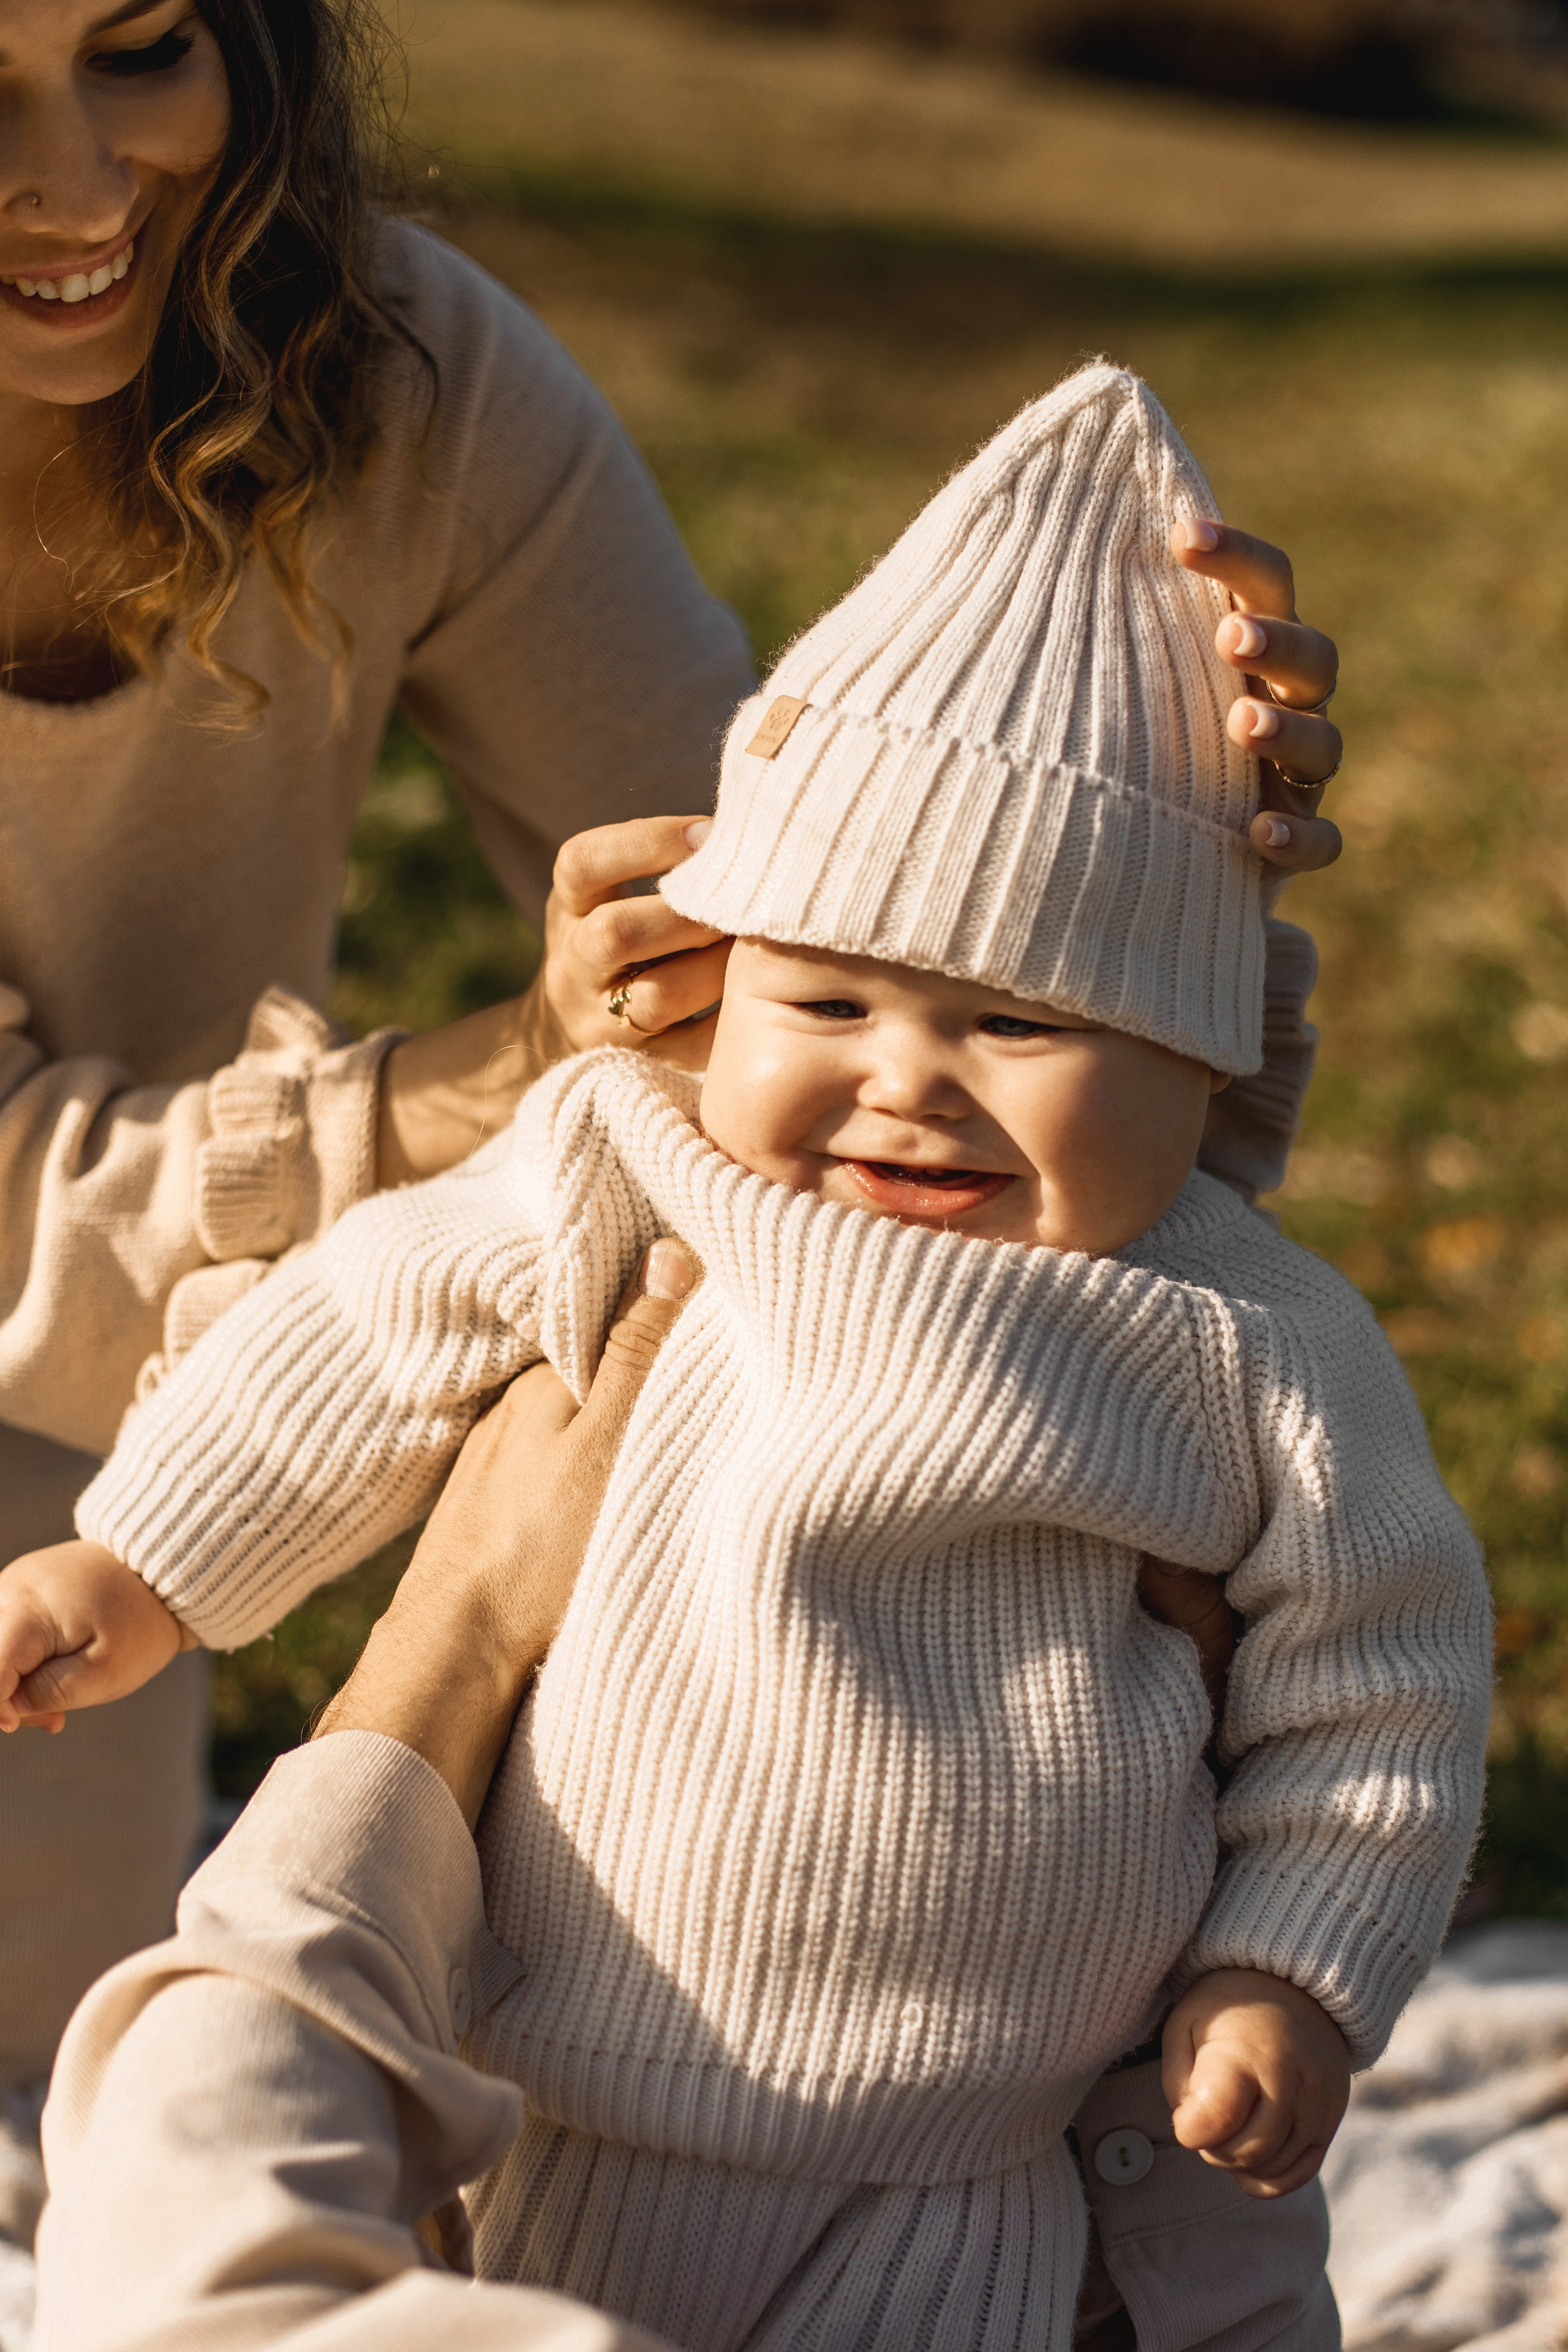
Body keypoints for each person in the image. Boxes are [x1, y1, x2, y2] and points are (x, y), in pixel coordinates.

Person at [3, 367, 1491, 2352]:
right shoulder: (638, 1152)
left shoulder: (1248, 1331)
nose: (903, 1084)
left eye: (1017, 1028)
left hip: (972, 2176)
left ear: (1200, 1060)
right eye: (827, 996)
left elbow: (1383, 1678)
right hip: (568, 2105)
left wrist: (1290, 1974)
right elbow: (367, 1324)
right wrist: (143, 1569)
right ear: (723, 978)